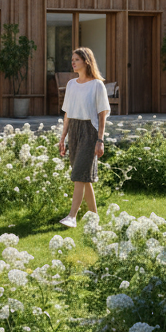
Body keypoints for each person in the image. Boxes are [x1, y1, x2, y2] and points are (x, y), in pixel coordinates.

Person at [56, 47, 110, 228]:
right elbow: (67, 113)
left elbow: (102, 114)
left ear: (86, 61)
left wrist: (100, 140)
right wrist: (63, 137)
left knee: (79, 174)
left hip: (90, 131)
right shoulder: (71, 84)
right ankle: (94, 218)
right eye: (72, 59)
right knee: (83, 177)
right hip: (74, 130)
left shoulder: (97, 85)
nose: (73, 62)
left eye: (76, 59)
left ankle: (72, 216)